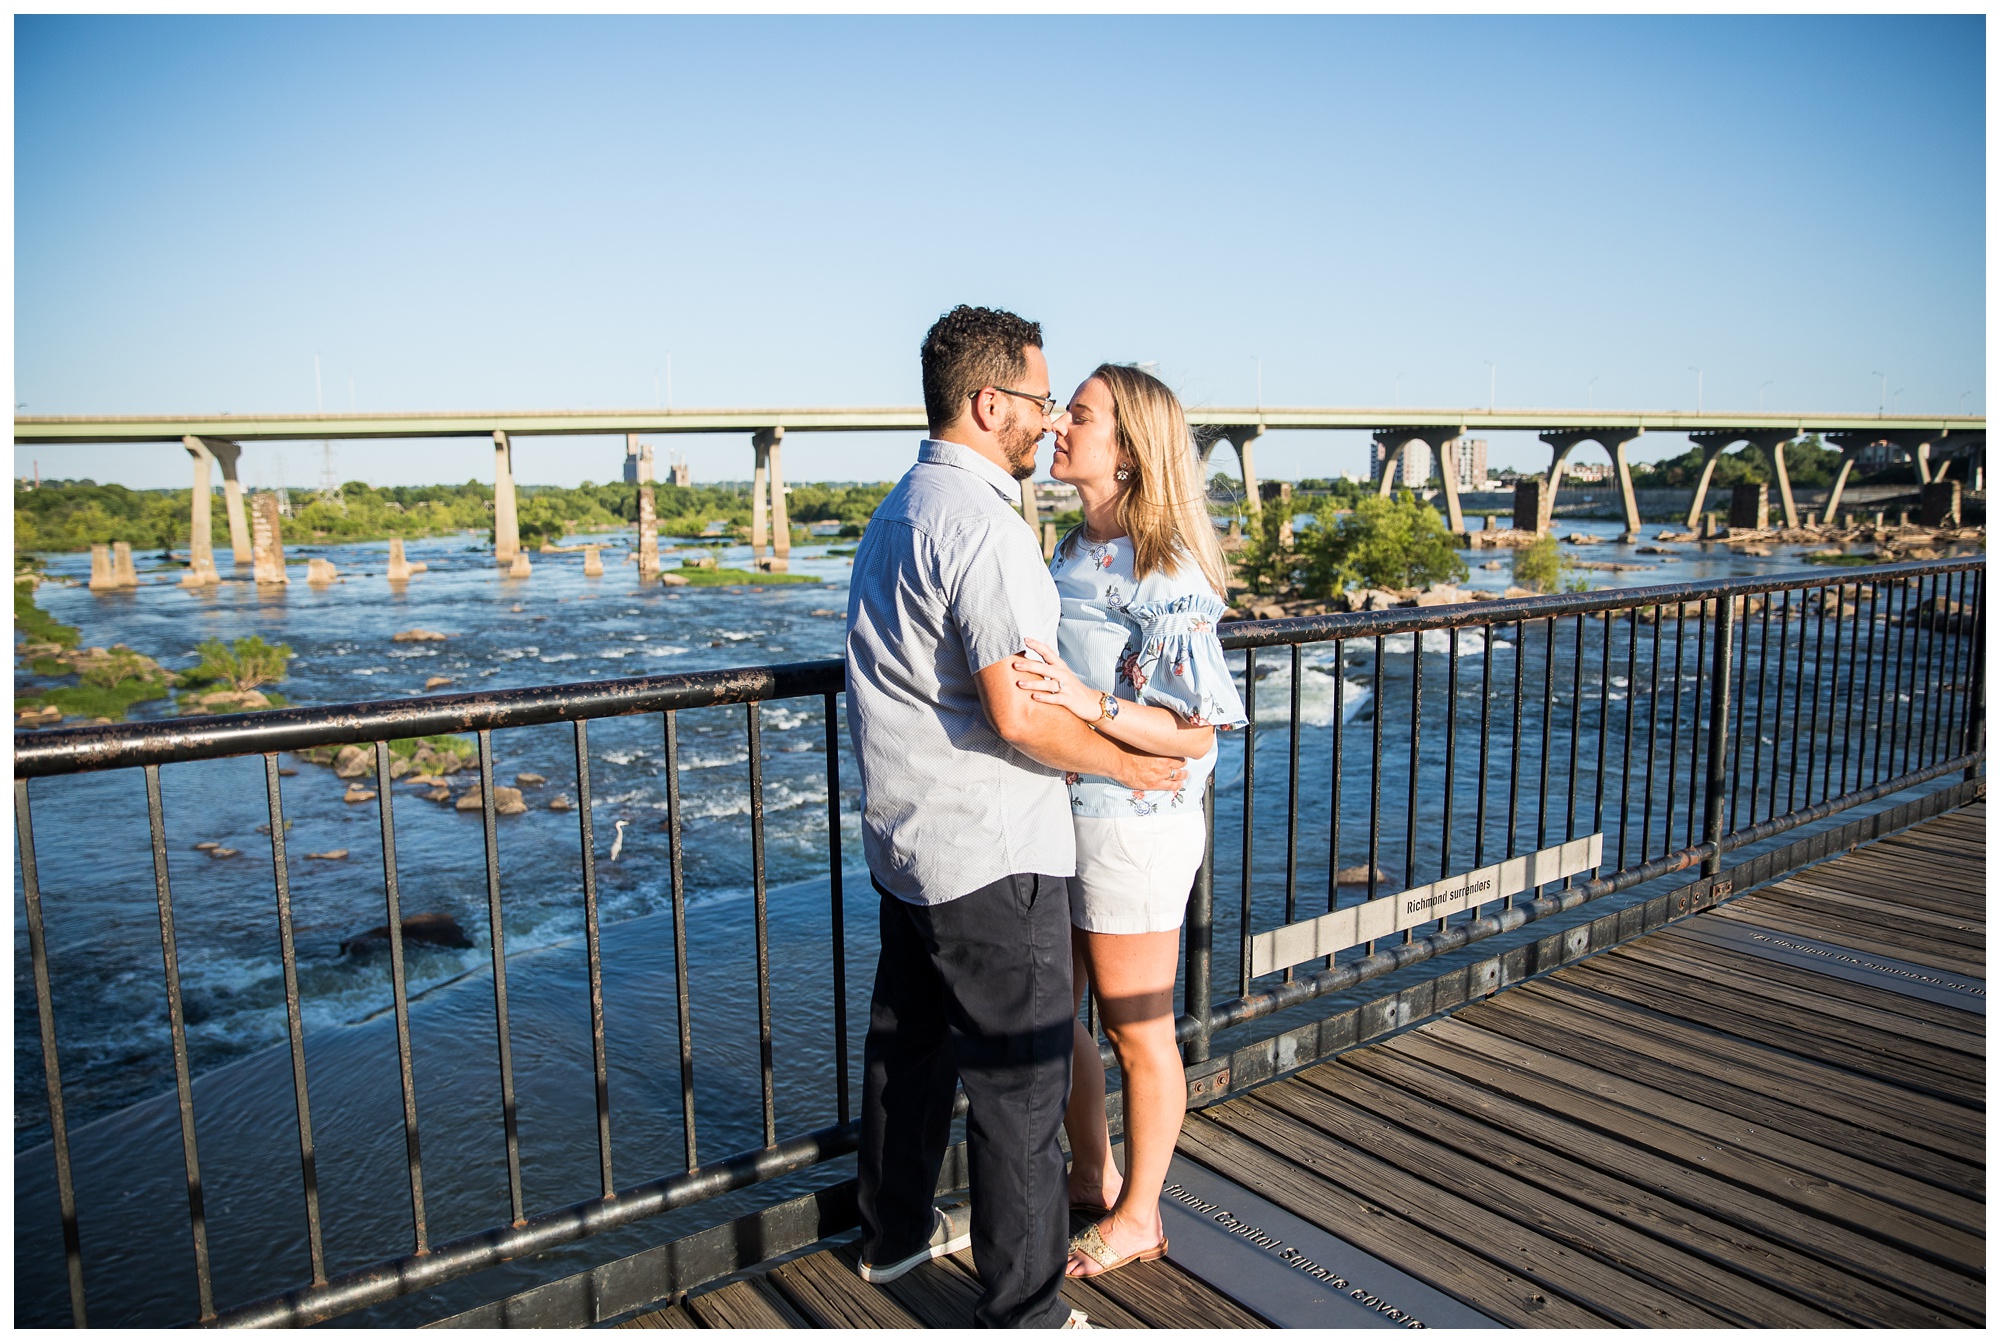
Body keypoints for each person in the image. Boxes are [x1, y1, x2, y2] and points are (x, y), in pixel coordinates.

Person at [845, 307, 1190, 1328]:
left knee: (904, 1053)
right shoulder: (984, 525)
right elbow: (1017, 712)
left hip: (906, 842)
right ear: (989, 402)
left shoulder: (899, 507)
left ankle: (892, 1236)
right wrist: (1129, 761)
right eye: (1039, 403)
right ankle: (1029, 1313)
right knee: (1019, 1094)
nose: (1045, 423)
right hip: (991, 853)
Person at [1006, 364, 1247, 1279]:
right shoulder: (1073, 547)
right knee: (1059, 1010)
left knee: (1140, 1028)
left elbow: (1193, 729)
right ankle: (1093, 1169)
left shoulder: (1165, 570)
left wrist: (1084, 700)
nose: (1061, 421)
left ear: (1131, 452)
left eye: (1083, 414)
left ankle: (1141, 1213)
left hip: (1135, 824)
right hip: (1068, 812)